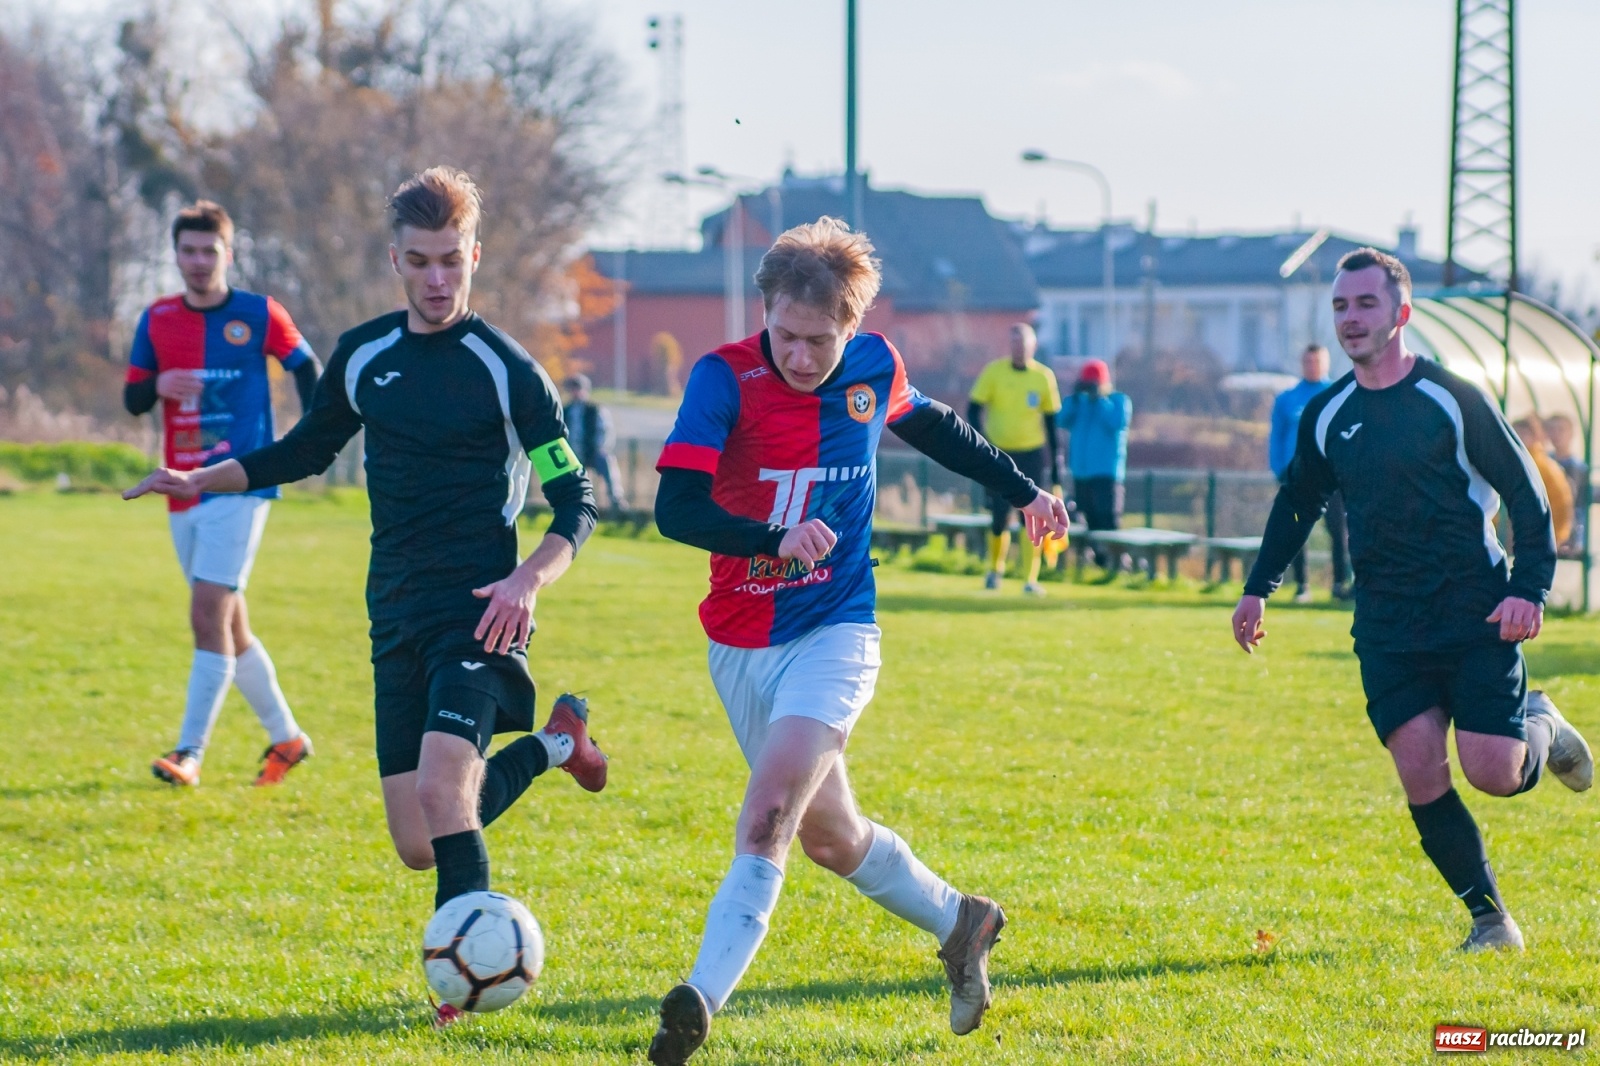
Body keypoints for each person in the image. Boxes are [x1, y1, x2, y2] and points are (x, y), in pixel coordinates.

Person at [124, 168, 609, 1025]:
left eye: (451, 261)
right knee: (419, 841)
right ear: (395, 260)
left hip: (481, 609)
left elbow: (577, 498)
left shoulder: (508, 371)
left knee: (443, 794)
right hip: (394, 612)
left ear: (475, 257)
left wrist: (528, 579)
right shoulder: (364, 356)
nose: (436, 280)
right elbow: (302, 451)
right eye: (419, 262)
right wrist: (197, 479)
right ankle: (557, 745)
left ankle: (459, 994)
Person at [648, 217, 1070, 1065]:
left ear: (854, 325)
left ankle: (697, 1002)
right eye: (787, 336)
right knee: (830, 837)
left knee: (768, 813)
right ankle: (962, 921)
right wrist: (773, 539)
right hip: (740, 640)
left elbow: (938, 428)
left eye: (821, 340)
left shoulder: (875, 368)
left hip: (837, 628)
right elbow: (675, 509)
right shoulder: (722, 379)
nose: (802, 357)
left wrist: (1025, 491)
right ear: (766, 312)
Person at [1232, 248, 1592, 954]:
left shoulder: (1453, 398)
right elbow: (1299, 502)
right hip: (1388, 625)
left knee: (1494, 772)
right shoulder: (1328, 413)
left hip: (1475, 611)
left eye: (1365, 303)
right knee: (1420, 767)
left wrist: (1529, 588)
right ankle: (1491, 921)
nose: (1350, 318)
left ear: (1400, 313)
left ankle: (1540, 721)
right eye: (1340, 306)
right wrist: (1257, 588)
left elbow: (1526, 495)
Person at [123, 201, 322, 788]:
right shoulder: (157, 318)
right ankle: (287, 738)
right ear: (175, 255)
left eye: (209, 251)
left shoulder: (259, 313)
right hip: (180, 487)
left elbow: (308, 369)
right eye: (188, 251)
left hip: (241, 482)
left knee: (206, 612)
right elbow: (133, 400)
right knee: (229, 625)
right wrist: (159, 383)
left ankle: (189, 753)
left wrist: (309, 440)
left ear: (227, 254)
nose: (198, 261)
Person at [966, 323, 1063, 593]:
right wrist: (982, 444)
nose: (1018, 349)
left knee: (1031, 516)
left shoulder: (1043, 377)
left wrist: (1057, 461)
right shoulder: (994, 372)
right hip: (1000, 455)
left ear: (1033, 346)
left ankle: (1030, 579)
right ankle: (994, 570)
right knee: (999, 514)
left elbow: (1052, 423)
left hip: (1031, 454)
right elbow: (973, 409)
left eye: (1023, 344)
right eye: (1014, 343)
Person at [1269, 344, 1351, 603]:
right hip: (1298, 476)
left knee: (1338, 530)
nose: (1312, 366)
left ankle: (1340, 584)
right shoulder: (1288, 399)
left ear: (1325, 363)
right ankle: (1301, 586)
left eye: (1317, 362)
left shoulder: (1339, 394)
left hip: (1332, 475)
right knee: (1296, 531)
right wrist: (1280, 469)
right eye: (1308, 362)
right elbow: (1276, 437)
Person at [1058, 359, 1130, 569]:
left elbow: (1116, 423)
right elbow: (1061, 420)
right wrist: (1074, 396)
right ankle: (1100, 561)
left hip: (1106, 472)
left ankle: (1117, 563)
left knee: (1108, 518)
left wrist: (1099, 399)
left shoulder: (1117, 401)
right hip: (1081, 472)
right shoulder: (1080, 403)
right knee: (1089, 518)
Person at [562, 372, 629, 510]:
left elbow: (605, 431)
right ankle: (570, 501)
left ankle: (616, 499)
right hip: (572, 454)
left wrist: (600, 448)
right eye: (573, 389)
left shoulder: (595, 410)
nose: (575, 392)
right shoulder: (565, 411)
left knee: (606, 460)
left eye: (578, 388)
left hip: (593, 452)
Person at [1511, 416, 1573, 548]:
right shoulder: (1515, 462)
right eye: (1515, 432)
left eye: (1523, 433)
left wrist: (1556, 536)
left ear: (1535, 437)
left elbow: (1561, 505)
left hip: (1539, 535)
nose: (1518, 437)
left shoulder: (1541, 466)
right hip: (1528, 533)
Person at [1544, 413, 1588, 555]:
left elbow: (1579, 501)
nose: (1556, 434)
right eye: (1552, 430)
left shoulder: (1579, 468)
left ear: (1571, 433)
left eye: (1561, 429)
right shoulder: (1545, 462)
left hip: (1571, 529)